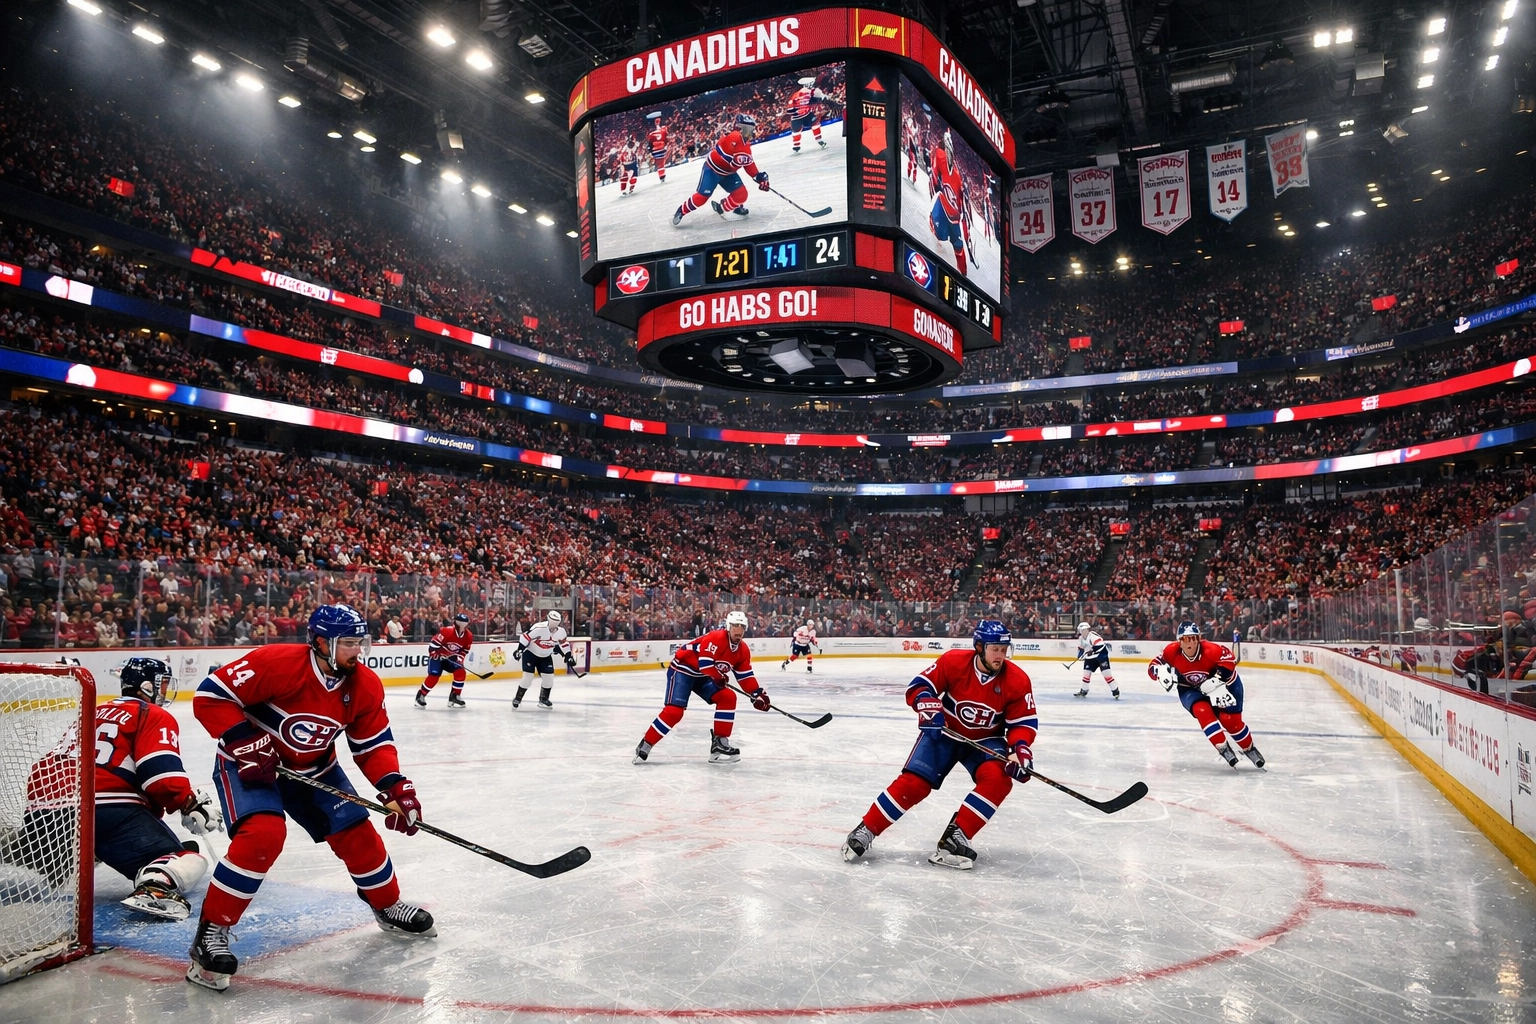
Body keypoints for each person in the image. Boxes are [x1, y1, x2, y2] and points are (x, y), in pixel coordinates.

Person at [187, 604, 434, 991]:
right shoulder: (277, 663)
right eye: (349, 643)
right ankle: (211, 932)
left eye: (360, 642)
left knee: (358, 835)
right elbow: (210, 696)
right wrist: (242, 740)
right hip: (251, 766)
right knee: (263, 837)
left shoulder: (364, 684)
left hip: (315, 769)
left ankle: (386, 906)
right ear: (321, 642)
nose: (359, 651)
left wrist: (394, 787)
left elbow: (372, 745)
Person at [841, 621, 1037, 870]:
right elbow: (919, 686)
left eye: (1004, 649)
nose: (1001, 656)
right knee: (915, 783)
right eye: (995, 649)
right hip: (944, 732)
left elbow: (1024, 722)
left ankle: (954, 840)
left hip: (986, 740)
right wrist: (927, 704)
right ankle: (866, 829)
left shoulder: (1017, 680)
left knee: (999, 779)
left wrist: (1020, 749)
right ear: (979, 646)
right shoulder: (953, 661)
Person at [96, 658, 222, 920]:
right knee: (188, 859)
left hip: (47, 811)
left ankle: (20, 845)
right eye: (162, 684)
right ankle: (154, 890)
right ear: (146, 686)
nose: (164, 690)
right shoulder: (149, 713)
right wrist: (189, 803)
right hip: (106, 810)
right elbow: (161, 777)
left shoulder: (91, 711)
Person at [633, 610, 769, 765]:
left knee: (728, 697)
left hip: (704, 676)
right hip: (683, 669)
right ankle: (646, 743)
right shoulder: (716, 638)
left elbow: (745, 677)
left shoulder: (742, 650)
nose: (739, 630)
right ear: (728, 627)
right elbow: (705, 664)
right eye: (735, 625)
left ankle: (719, 743)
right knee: (674, 712)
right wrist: (718, 676)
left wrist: (758, 693)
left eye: (742, 626)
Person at [1149, 621, 1265, 769]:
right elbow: (1154, 664)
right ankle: (1223, 747)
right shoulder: (1171, 651)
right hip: (1190, 689)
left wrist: (1216, 680)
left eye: (1193, 638)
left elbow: (1230, 661)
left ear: (1199, 638)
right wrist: (1158, 672)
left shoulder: (1211, 650)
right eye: (1186, 638)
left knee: (1230, 721)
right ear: (1180, 641)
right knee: (1202, 711)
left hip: (1225, 685)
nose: (1190, 642)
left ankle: (1249, 748)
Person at [672, 114, 770, 225]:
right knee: (701, 198)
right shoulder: (734, 136)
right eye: (749, 128)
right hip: (712, 170)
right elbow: (729, 156)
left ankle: (723, 207)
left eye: (752, 128)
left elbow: (748, 164)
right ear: (741, 127)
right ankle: (681, 211)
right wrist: (739, 163)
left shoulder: (745, 144)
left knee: (741, 194)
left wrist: (759, 177)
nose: (752, 131)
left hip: (728, 173)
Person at [927, 129, 972, 274]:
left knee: (958, 246)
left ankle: (963, 274)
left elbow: (964, 208)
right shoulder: (943, 160)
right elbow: (934, 178)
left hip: (953, 216)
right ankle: (963, 274)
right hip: (947, 208)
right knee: (952, 241)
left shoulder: (957, 178)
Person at [512, 610, 577, 710]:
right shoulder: (539, 628)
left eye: (556, 621)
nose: (554, 624)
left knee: (549, 679)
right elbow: (525, 637)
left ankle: (543, 699)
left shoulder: (561, 632)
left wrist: (568, 655)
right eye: (553, 621)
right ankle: (518, 698)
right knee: (527, 678)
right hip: (531, 654)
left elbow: (564, 644)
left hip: (546, 656)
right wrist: (520, 650)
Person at [415, 613, 474, 709]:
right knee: (434, 675)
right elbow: (433, 646)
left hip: (450, 659)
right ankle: (421, 695)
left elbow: (464, 651)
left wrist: (459, 658)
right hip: (438, 658)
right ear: (456, 623)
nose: (462, 625)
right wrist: (436, 654)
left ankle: (455, 696)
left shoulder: (469, 636)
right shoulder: (446, 631)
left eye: (464, 623)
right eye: (460, 623)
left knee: (460, 672)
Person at [1073, 621, 1118, 699]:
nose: (1082, 632)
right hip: (1090, 658)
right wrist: (1080, 655)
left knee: (1107, 675)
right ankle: (1084, 690)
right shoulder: (1081, 638)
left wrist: (1092, 651)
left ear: (1086, 629)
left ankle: (1115, 690)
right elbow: (1081, 648)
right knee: (1086, 674)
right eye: (1081, 631)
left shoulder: (1093, 636)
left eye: (1083, 630)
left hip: (1101, 656)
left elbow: (1100, 646)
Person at [786, 77, 829, 152]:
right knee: (798, 131)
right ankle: (797, 145)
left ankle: (817, 140)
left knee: (814, 124)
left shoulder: (804, 93)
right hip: (798, 117)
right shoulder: (801, 94)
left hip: (804, 115)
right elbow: (789, 109)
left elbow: (820, 97)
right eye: (812, 83)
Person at [645, 113, 669, 183]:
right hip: (661, 149)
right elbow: (665, 139)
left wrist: (650, 151)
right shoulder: (663, 131)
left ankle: (662, 177)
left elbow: (650, 142)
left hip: (655, 151)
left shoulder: (651, 134)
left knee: (659, 165)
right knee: (662, 164)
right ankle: (662, 177)